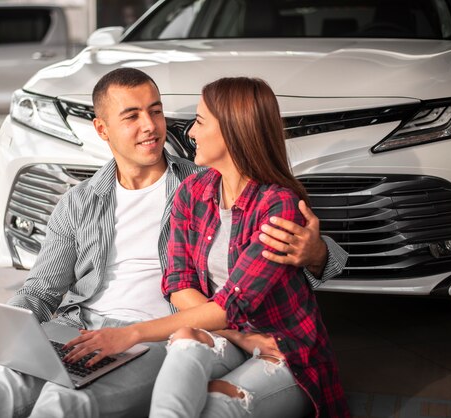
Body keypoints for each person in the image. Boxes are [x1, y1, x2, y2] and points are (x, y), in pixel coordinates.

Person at [0, 69, 346, 418]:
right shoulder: (79, 201)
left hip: (154, 339)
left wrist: (319, 254)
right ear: (102, 129)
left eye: (156, 111)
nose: (151, 126)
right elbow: (40, 289)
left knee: (64, 403)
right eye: (132, 116)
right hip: (79, 328)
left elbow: (279, 251)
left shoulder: (196, 184)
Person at [65, 77, 349, 417]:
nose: (190, 133)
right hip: (227, 337)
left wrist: (130, 334)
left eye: (200, 122)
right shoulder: (193, 191)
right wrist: (238, 336)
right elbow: (178, 282)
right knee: (185, 337)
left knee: (215, 404)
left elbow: (233, 304)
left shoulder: (278, 206)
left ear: (232, 130)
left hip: (280, 348)